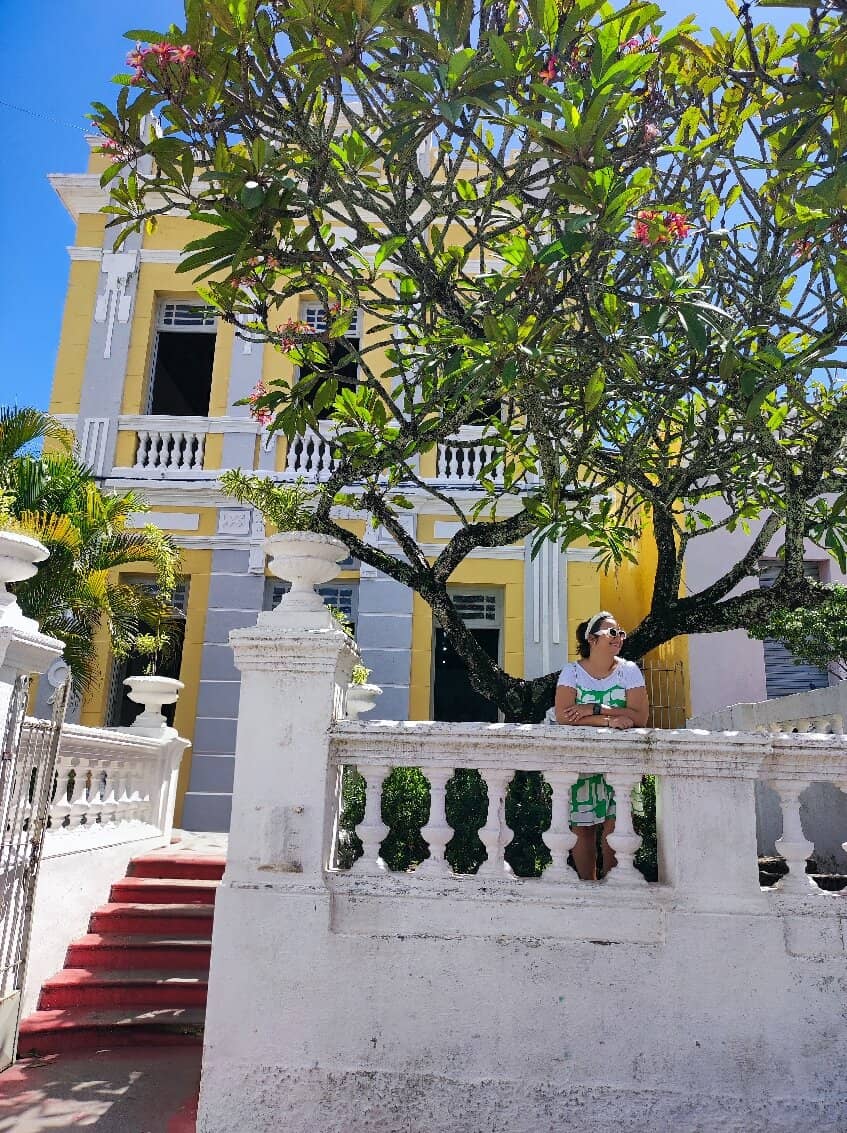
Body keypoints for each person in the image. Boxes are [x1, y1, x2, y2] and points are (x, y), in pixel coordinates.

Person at [554, 610, 649, 881]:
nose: (618, 637)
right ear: (592, 639)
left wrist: (592, 709)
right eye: (611, 632)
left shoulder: (629, 671)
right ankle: (588, 889)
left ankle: (612, 888)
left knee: (615, 827)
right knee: (582, 830)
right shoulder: (571, 672)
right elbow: (564, 716)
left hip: (620, 764)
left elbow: (639, 717)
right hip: (580, 761)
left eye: (620, 632)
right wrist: (611, 720)